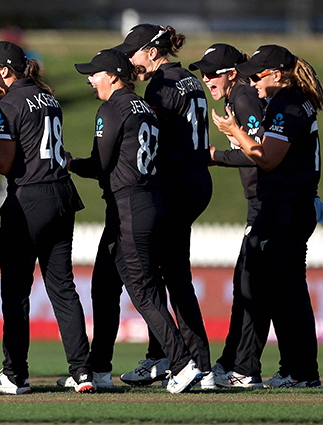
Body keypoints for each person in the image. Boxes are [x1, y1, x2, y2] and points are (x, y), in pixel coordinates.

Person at [69, 48, 203, 394]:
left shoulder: (112, 107)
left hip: (130, 207)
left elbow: (100, 165)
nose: (90, 79)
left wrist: (66, 162)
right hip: (142, 203)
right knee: (104, 286)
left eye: (94, 73)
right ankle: (98, 370)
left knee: (142, 290)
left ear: (113, 76)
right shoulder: (144, 106)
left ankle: (182, 363)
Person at [0, 41, 95, 394]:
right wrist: (0, 138)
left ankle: (14, 375)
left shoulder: (7, 102)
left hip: (29, 199)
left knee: (15, 291)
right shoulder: (47, 97)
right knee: (63, 287)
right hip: (62, 194)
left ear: (6, 70)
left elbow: (5, 163)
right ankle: (82, 372)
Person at [212, 44, 323, 388]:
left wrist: (235, 135)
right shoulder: (295, 99)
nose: (252, 82)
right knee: (284, 289)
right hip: (295, 204)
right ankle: (297, 370)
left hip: (285, 207)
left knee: (279, 290)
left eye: (257, 75)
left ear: (277, 74)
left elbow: (267, 157)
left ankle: (294, 371)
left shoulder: (286, 104)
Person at [113, 24, 213, 388]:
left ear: (153, 52)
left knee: (168, 276)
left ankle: (193, 363)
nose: (130, 61)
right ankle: (166, 357)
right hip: (198, 178)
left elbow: (148, 140)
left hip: (177, 182)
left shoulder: (159, 86)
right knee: (168, 272)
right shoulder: (188, 78)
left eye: (133, 54)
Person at [188, 43, 266, 386]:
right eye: (203, 73)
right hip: (261, 202)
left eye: (212, 73)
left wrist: (215, 155)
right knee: (248, 285)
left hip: (268, 203)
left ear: (232, 73)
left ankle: (245, 369)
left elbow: (261, 153)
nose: (206, 79)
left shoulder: (244, 98)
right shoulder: (236, 99)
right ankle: (233, 361)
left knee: (252, 287)